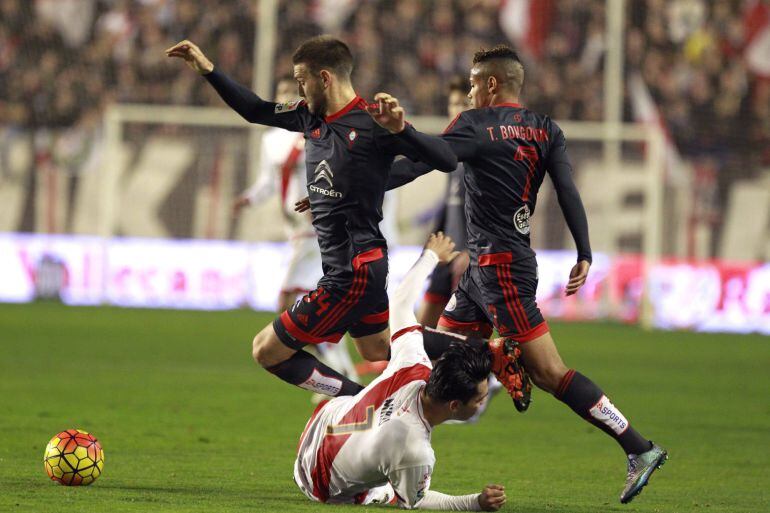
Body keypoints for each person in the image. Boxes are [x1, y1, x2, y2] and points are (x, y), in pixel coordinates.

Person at [387, 45, 666, 504]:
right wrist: (585, 250)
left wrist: (370, 175)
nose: (471, 91)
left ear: (492, 84)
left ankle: (639, 448)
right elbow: (568, 189)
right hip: (493, 267)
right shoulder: (544, 129)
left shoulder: (475, 124)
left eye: (475, 82)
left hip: (500, 272)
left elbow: (425, 161)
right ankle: (403, 464)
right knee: (443, 363)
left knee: (551, 374)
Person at [166, 36, 456, 399]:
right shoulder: (308, 116)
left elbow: (444, 159)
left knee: (267, 350)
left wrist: (402, 130)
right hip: (357, 265)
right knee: (376, 348)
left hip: (352, 270)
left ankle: (360, 403)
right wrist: (208, 69)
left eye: (302, 79)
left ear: (325, 77)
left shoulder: (373, 122)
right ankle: (484, 352)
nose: (299, 88)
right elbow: (256, 109)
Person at [293, 232, 510, 510]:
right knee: (391, 491)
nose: (482, 404)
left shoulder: (414, 364)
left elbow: (400, 303)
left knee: (376, 433)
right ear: (455, 405)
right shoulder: (415, 449)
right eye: (480, 400)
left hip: (319, 424)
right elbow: (417, 501)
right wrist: (476, 503)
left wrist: (431, 255)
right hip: (317, 483)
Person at [231, 74, 356, 381]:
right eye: (281, 92)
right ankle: (340, 370)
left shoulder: (315, 130)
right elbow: (269, 182)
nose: (287, 97)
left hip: (316, 228)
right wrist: (248, 198)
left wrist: (327, 202)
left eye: (292, 91)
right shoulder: (270, 139)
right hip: (294, 230)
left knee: (289, 303)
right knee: (311, 307)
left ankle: (333, 379)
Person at [417, 76, 471, 328]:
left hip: (467, 257)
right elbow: (451, 203)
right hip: (446, 251)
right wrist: (432, 240)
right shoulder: (453, 151)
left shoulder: (479, 150)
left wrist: (472, 251)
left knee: (459, 335)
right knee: (421, 328)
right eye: (454, 103)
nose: (457, 109)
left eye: (464, 104)